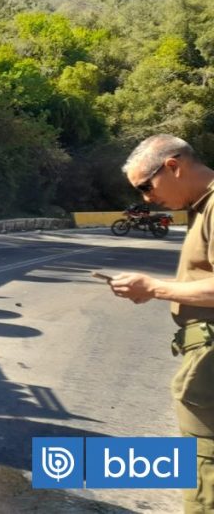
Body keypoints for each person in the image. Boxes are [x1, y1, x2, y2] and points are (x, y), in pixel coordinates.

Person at [109, 133, 214, 512]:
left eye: (145, 186)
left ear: (173, 166)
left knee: (205, 462)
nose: (146, 198)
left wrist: (155, 286)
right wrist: (155, 291)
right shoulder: (201, 208)